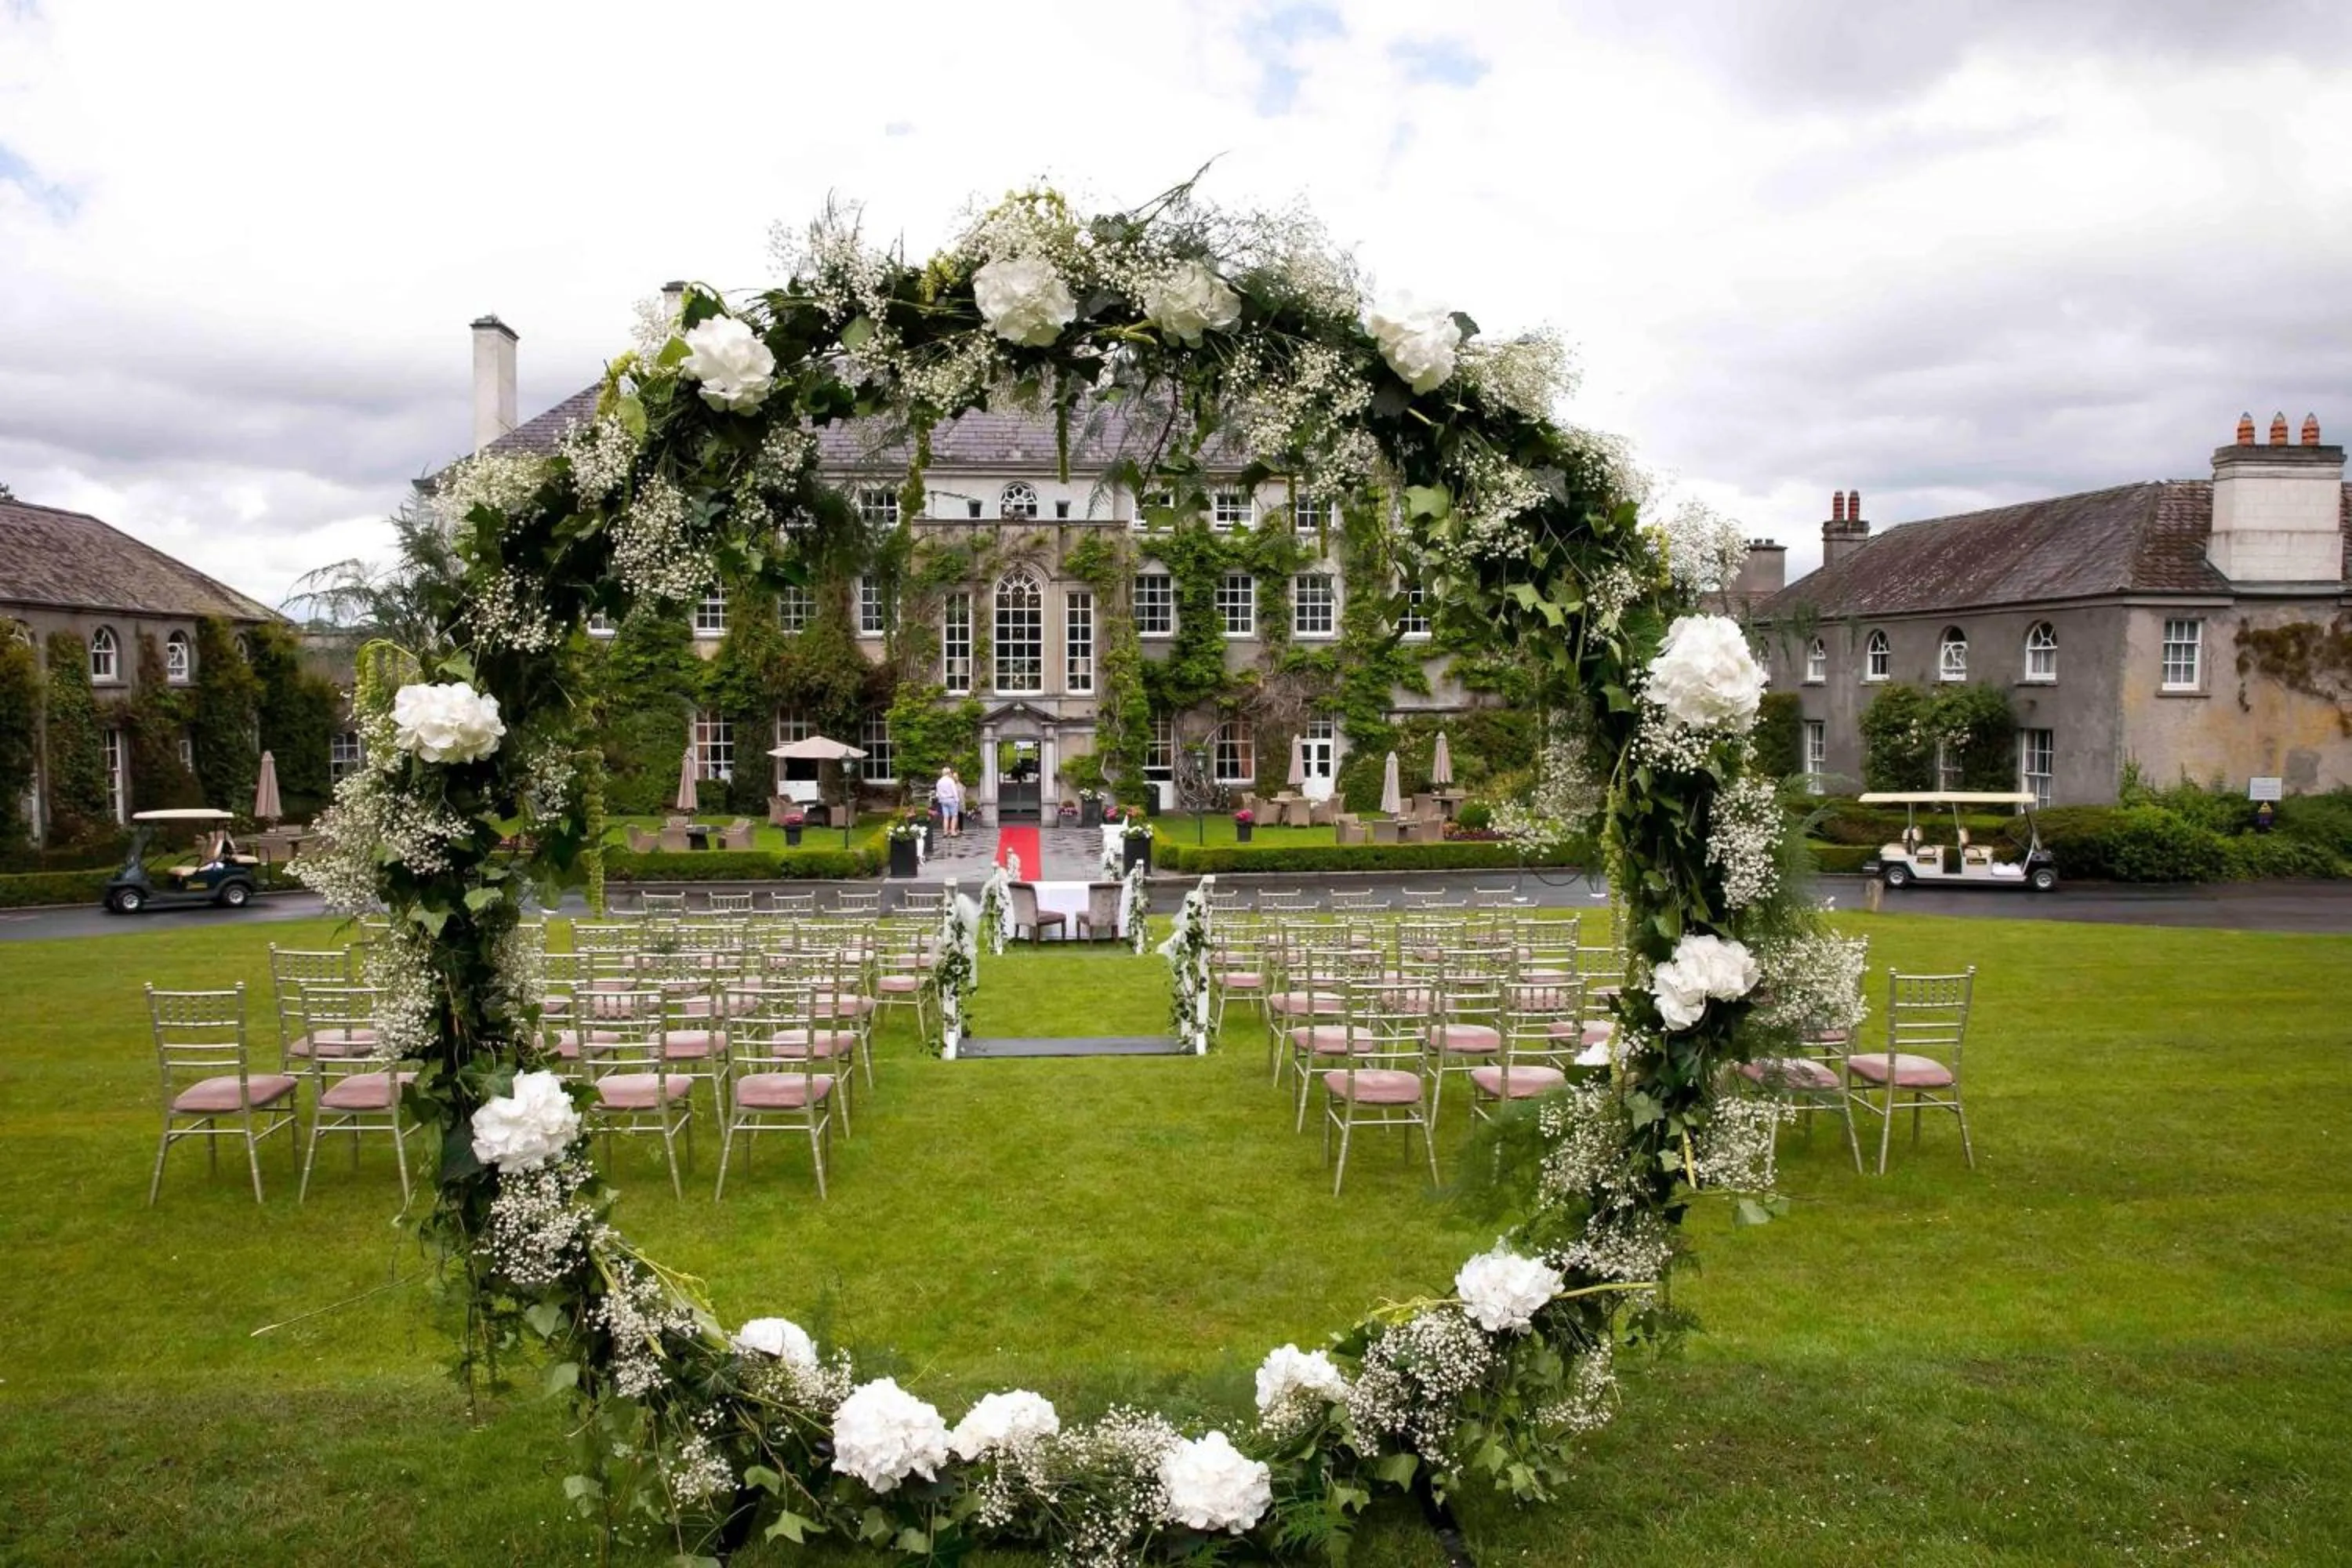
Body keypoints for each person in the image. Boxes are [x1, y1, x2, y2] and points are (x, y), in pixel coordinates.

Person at [936, 766, 963, 838]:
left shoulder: (939, 781)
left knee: (946, 817)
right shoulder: (950, 781)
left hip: (943, 800)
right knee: (954, 816)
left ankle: (945, 832)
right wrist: (957, 800)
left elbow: (938, 793)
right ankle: (953, 832)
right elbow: (954, 791)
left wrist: (940, 800)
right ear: (948, 773)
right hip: (951, 799)